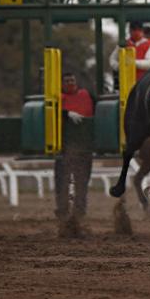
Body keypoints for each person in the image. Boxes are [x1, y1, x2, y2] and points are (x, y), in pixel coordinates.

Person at [55, 71, 94, 220]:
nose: (70, 83)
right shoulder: (58, 98)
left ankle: (80, 212)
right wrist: (66, 114)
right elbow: (51, 111)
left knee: (82, 182)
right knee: (62, 181)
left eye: (72, 80)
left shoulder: (87, 95)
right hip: (64, 148)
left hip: (85, 147)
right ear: (62, 84)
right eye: (67, 81)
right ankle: (62, 210)